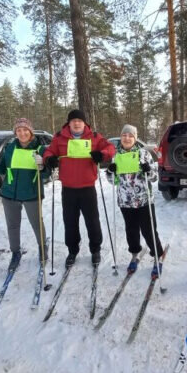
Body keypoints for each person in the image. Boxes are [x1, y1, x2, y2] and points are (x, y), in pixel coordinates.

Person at [43, 110, 115, 267]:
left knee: (92, 221)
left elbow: (110, 148)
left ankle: (95, 250)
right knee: (70, 222)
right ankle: (72, 250)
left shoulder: (94, 137)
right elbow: (49, 151)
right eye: (73, 120)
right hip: (68, 189)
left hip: (87, 187)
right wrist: (49, 158)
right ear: (69, 123)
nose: (76, 123)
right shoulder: (59, 138)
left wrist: (101, 154)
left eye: (79, 121)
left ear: (84, 123)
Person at [0, 118, 50, 272]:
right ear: (15, 133)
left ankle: (42, 248)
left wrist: (42, 165)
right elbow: (3, 168)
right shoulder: (10, 148)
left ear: (30, 132)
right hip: (9, 194)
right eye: (19, 130)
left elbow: (47, 174)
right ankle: (15, 253)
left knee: (37, 223)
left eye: (25, 130)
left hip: (31, 193)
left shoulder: (40, 149)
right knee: (12, 226)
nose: (22, 133)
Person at [106, 124, 164, 276]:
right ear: (121, 137)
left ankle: (158, 254)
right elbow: (113, 181)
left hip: (144, 199)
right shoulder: (116, 156)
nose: (127, 138)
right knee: (131, 230)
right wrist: (110, 172)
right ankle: (135, 253)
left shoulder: (144, 153)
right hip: (125, 201)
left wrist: (148, 170)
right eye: (124, 135)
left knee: (148, 230)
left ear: (135, 138)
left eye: (130, 135)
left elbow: (154, 177)